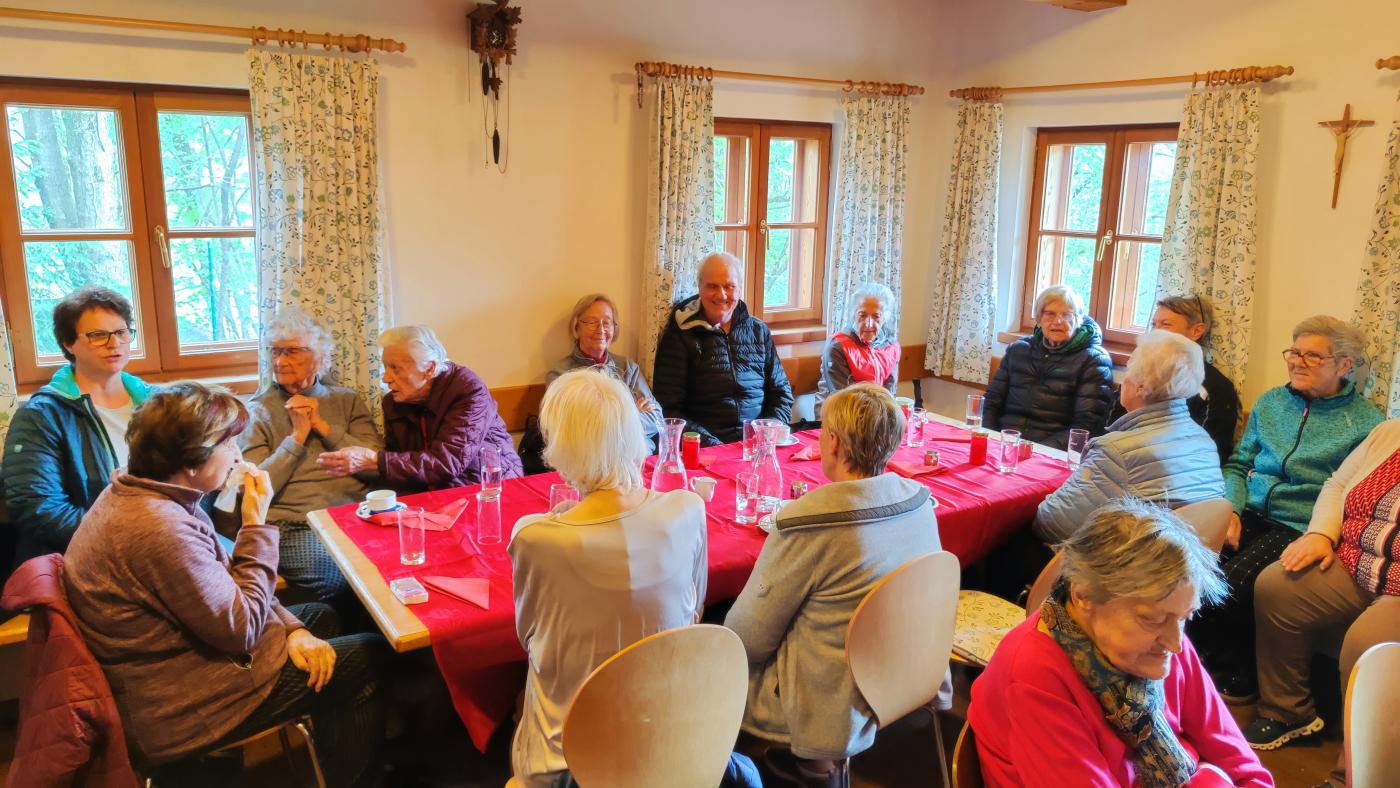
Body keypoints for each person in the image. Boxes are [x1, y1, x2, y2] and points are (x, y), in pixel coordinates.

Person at [61, 383, 386, 785]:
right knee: (370, 656)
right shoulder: (158, 528)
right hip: (185, 702)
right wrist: (256, 524)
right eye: (229, 444)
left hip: (178, 661)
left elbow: (229, 578)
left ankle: (332, 757)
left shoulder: (140, 490)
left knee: (320, 618)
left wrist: (293, 630)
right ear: (193, 460)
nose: (237, 455)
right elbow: (241, 630)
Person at [725, 383, 944, 788]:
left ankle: (809, 770)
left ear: (835, 444)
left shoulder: (811, 524)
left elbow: (747, 640)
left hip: (829, 699)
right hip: (903, 669)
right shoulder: (919, 502)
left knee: (713, 639)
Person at [968, 499, 1272, 788]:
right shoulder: (1034, 675)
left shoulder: (1161, 635)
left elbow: (1246, 769)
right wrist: (1210, 778)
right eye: (1151, 619)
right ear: (1084, 597)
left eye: (1185, 616)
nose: (1177, 644)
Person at [508, 369, 707, 787]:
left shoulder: (536, 537)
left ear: (560, 446)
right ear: (632, 435)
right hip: (669, 743)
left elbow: (528, 637)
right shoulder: (688, 509)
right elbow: (695, 614)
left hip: (569, 765)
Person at [1190, 315, 1382, 702]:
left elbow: (1350, 495)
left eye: (1312, 356)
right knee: (1192, 564)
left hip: (1296, 524)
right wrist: (1230, 510)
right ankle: (1194, 661)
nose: (1297, 362)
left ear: (1344, 365)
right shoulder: (1272, 402)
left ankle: (1239, 671)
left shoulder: (1366, 422)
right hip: (1247, 510)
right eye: (1294, 352)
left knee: (1236, 583)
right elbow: (1239, 464)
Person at [1246, 418, 1400, 780]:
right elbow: (1338, 483)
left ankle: (1355, 773)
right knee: (1277, 586)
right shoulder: (1389, 431)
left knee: (1367, 644)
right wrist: (1319, 534)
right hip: (1355, 561)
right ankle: (1287, 712)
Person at [3, 287, 155, 569]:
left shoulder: (159, 403)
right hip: (84, 562)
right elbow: (39, 508)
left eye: (122, 332)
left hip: (163, 548)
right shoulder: (42, 415)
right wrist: (129, 537)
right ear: (68, 343)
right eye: (98, 335)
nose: (115, 344)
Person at [241, 308, 382, 610]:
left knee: (399, 565)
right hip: (295, 526)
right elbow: (255, 487)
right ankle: (356, 652)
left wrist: (323, 427)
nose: (279, 361)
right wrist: (298, 436)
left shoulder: (345, 400)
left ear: (320, 356)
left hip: (357, 517)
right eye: (275, 352)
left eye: (291, 351)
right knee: (344, 581)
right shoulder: (257, 412)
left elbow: (376, 467)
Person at [1035, 331, 1224, 543]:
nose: (1123, 379)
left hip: (1124, 569)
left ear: (1141, 386)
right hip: (1182, 565)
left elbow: (1053, 523)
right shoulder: (1204, 440)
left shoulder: (1116, 450)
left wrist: (1046, 501)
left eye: (1127, 368)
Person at [319, 325, 522, 491]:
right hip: (437, 492)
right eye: (385, 367)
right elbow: (400, 464)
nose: (385, 378)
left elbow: (447, 462)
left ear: (429, 369)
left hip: (489, 487)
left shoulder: (467, 390)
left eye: (395, 368)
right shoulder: (393, 402)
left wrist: (373, 460)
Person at [652, 252, 794, 446]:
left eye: (729, 286)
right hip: (707, 449)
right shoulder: (679, 336)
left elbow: (781, 393)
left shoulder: (759, 331)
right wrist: (714, 446)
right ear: (700, 288)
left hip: (760, 445)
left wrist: (767, 433)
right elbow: (668, 409)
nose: (722, 295)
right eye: (712, 286)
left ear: (740, 289)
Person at [1106, 294, 1242, 463]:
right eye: (1153, 325)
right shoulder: (1140, 370)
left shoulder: (1217, 388)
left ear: (1197, 330)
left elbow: (1210, 454)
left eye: (1165, 325)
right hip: (1117, 459)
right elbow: (1107, 426)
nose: (1156, 333)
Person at [983, 284, 1114, 450]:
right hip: (1003, 442)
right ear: (1038, 319)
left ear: (1078, 320)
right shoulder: (1018, 350)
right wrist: (990, 438)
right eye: (1050, 314)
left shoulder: (1094, 360)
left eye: (1066, 315)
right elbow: (991, 402)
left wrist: (1034, 451)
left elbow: (1085, 425)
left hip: (1051, 451)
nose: (1058, 321)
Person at [545, 293, 663, 444]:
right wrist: (632, 413)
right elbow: (569, 432)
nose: (600, 329)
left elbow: (656, 417)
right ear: (576, 327)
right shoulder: (560, 375)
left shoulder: (628, 367)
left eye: (607, 323)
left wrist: (603, 424)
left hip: (635, 459)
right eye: (592, 322)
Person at [815, 282, 899, 415]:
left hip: (875, 417)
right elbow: (842, 397)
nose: (869, 323)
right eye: (863, 315)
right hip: (839, 416)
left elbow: (890, 394)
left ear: (885, 318)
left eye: (876, 316)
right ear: (854, 314)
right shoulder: (838, 346)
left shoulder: (891, 347)